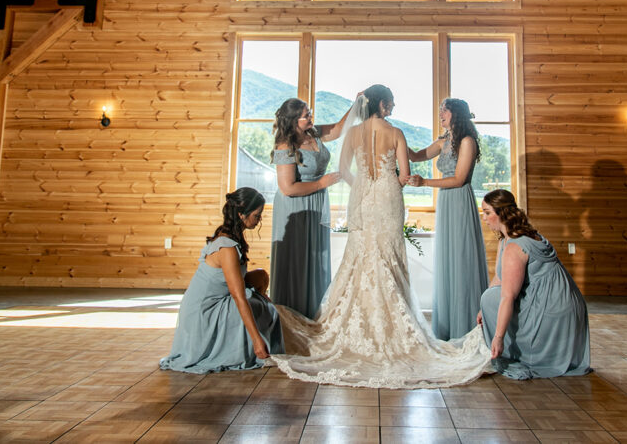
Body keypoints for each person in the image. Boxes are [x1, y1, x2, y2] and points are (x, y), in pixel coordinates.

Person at [271, 85, 490, 388]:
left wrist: (363, 184)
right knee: (389, 256)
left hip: (362, 196)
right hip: (388, 199)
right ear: (384, 105)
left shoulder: (353, 133)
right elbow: (404, 173)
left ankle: (350, 326)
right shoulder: (397, 132)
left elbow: (344, 171)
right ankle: (392, 328)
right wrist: (398, 181)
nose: (393, 108)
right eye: (392, 103)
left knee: (358, 256)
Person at [160, 187, 284, 374]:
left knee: (261, 275)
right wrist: (256, 339)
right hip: (204, 312)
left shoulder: (232, 238)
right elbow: (238, 296)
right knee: (255, 305)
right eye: (257, 215)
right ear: (242, 215)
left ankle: (261, 319)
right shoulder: (227, 247)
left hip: (219, 298)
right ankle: (253, 344)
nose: (259, 221)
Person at [478, 189, 591, 379]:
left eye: (488, 212)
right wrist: (483, 309)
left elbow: (508, 296)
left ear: (502, 213)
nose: (484, 218)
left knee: (493, 299)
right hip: (560, 303)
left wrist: (498, 337)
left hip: (554, 310)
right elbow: (500, 278)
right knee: (488, 298)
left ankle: (513, 350)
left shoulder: (515, 246)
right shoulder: (510, 239)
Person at [406, 98, 488, 340]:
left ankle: (466, 326)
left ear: (457, 114)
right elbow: (418, 156)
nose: (440, 112)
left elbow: (459, 179)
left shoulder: (467, 141)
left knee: (461, 258)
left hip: (460, 200)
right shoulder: (443, 141)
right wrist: (396, 138)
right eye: (440, 109)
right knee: (448, 258)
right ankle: (448, 327)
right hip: (445, 202)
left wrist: (424, 183)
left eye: (445, 109)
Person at [270, 96, 357, 318]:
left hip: (317, 203)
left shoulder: (314, 133)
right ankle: (292, 317)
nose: (311, 117)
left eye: (309, 112)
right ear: (292, 121)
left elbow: (338, 129)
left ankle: (313, 314)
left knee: (315, 258)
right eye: (306, 115)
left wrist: (356, 104)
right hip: (295, 207)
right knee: (297, 260)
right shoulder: (285, 145)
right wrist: (321, 183)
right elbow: (287, 187)